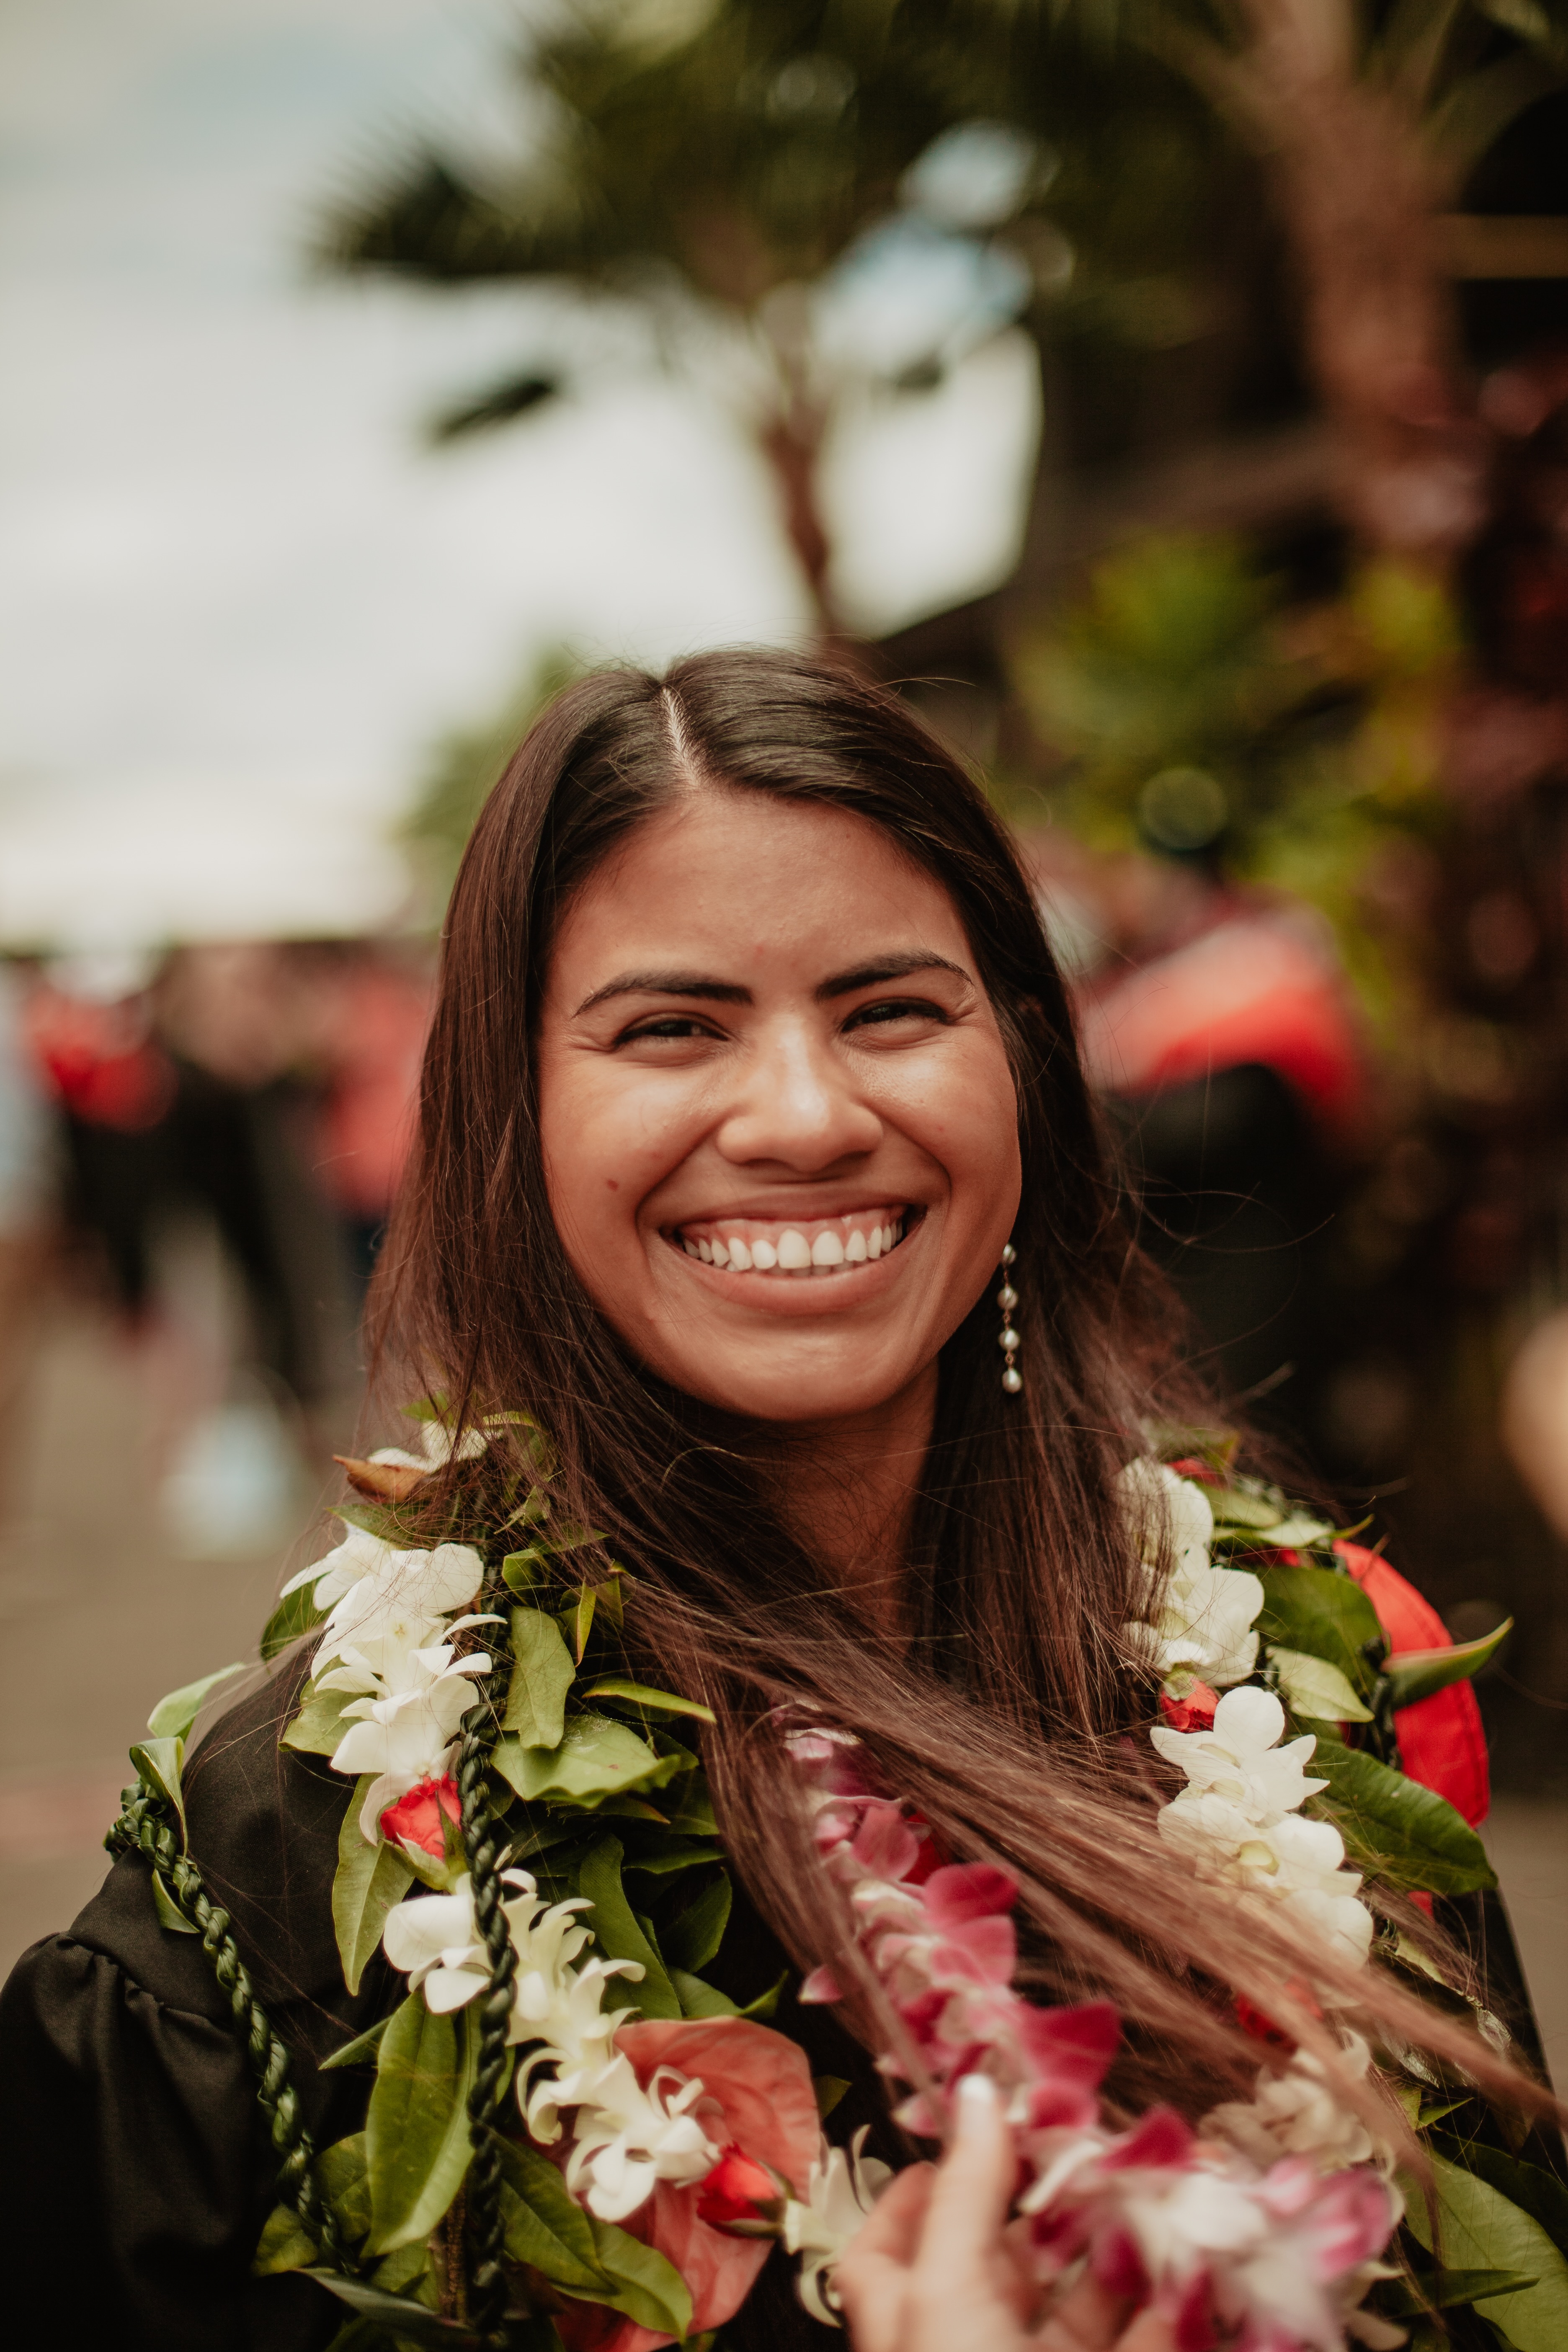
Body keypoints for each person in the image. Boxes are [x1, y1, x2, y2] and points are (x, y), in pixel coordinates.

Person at [0, 651, 1559, 2352]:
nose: (807, 1116)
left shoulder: (1319, 1689)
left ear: (1030, 1067)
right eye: (671, 1028)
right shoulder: (286, 1878)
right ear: (511, 1119)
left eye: (892, 1009)